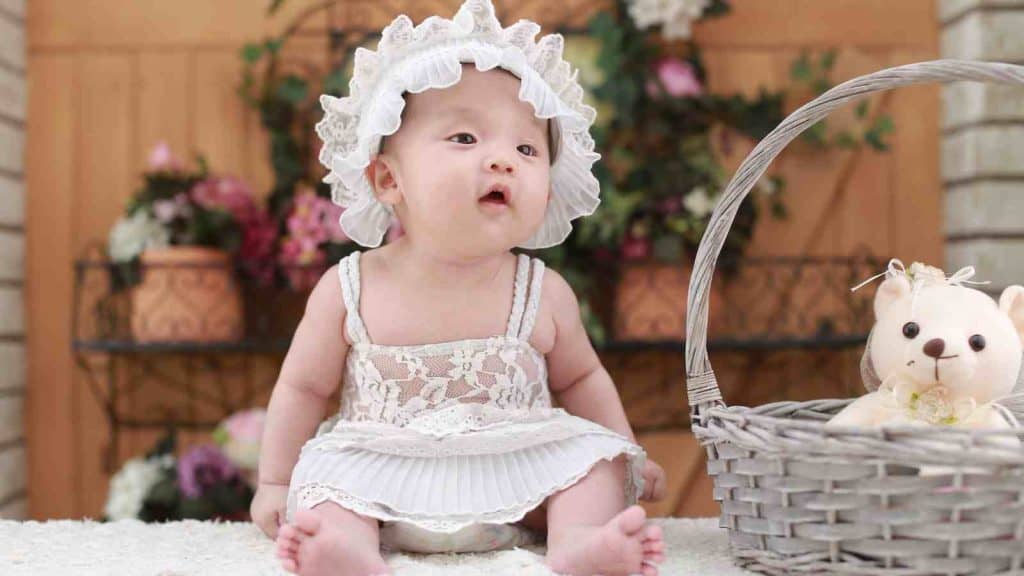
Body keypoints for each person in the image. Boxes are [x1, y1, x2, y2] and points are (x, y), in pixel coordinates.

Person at [251, 2, 667, 574]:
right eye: (466, 137)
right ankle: (347, 551)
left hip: (515, 484)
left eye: (526, 149)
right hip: (383, 476)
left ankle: (579, 544)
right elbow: (301, 387)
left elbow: (582, 379)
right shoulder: (348, 288)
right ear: (388, 179)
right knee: (324, 477)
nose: (503, 161)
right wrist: (274, 483)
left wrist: (628, 453)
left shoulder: (541, 291)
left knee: (593, 464)